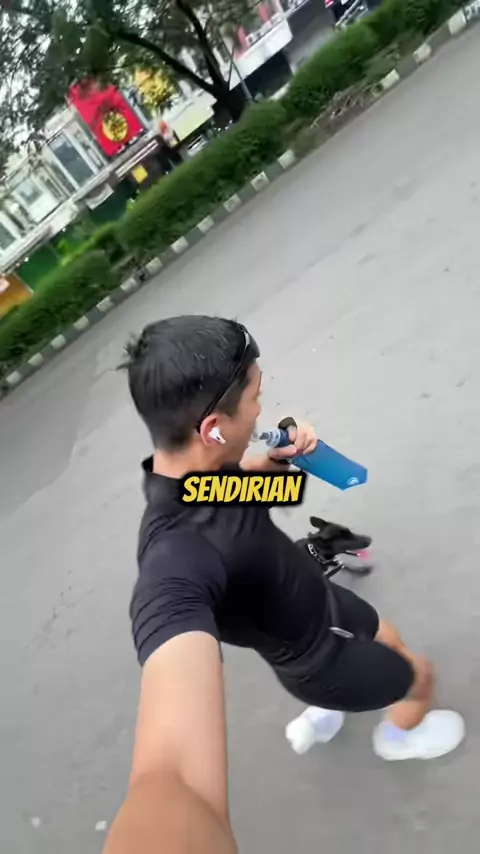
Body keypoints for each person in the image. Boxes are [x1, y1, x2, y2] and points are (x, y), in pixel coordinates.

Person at [104, 316, 465, 854]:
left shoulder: (181, 474)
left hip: (323, 604)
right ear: (213, 428)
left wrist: (278, 461)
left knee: (387, 636)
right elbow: (174, 781)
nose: (260, 411)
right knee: (419, 674)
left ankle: (325, 718)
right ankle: (400, 736)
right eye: (256, 397)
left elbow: (251, 495)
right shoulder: (175, 559)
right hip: (323, 662)